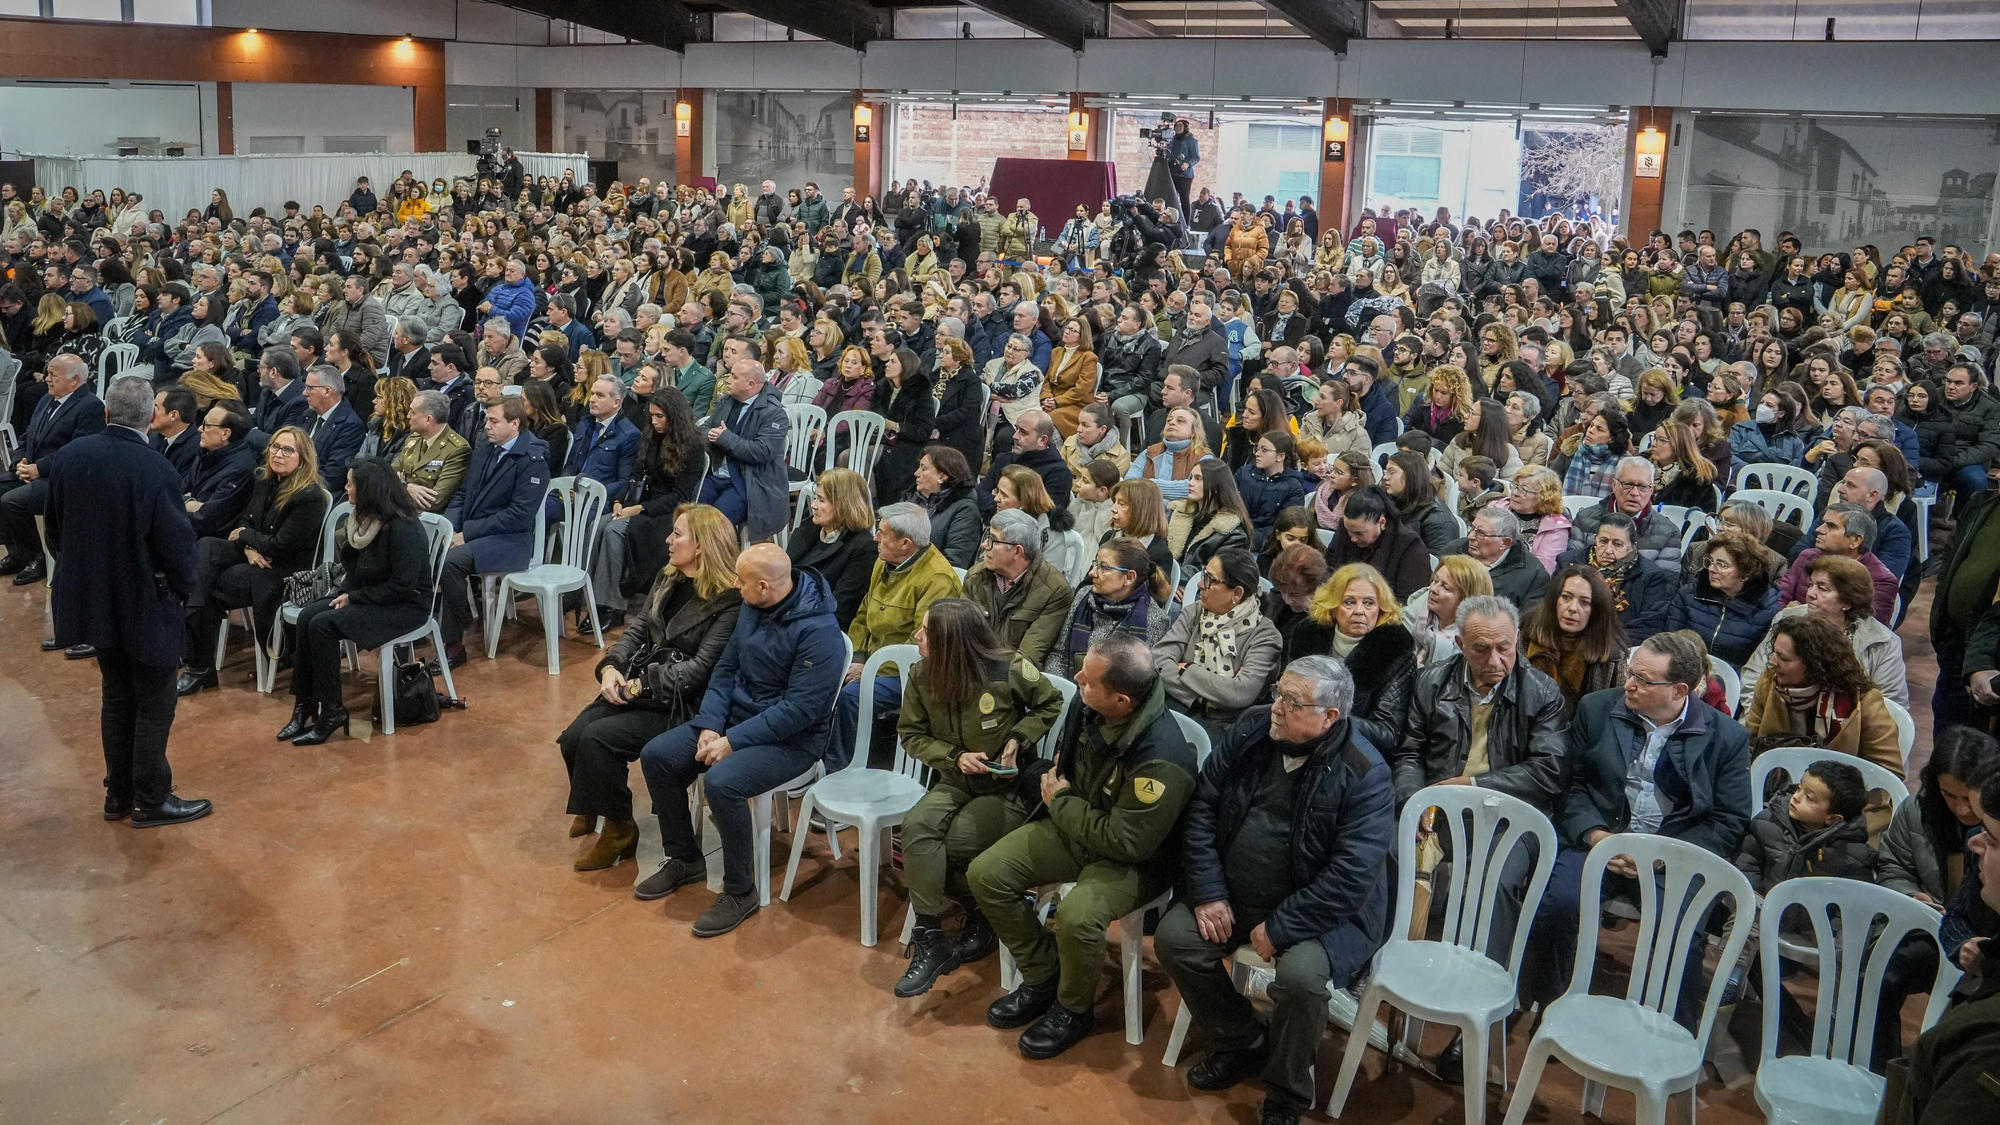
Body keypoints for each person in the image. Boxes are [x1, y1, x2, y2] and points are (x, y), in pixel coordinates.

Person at [1158, 656, 1396, 1125]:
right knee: (1175, 939)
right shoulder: (1250, 731)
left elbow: (1350, 877)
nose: (1276, 707)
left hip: (1321, 915)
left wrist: (1284, 927)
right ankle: (1241, 1039)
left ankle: (1286, 1094)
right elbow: (1202, 808)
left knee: (1302, 981)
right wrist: (1207, 891)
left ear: (1330, 717)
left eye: (1292, 700)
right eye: (1277, 692)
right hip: (1231, 892)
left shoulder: (1365, 772)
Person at [968, 635, 1199, 1058]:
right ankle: (1043, 975)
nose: (1075, 680)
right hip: (1078, 826)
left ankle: (1073, 1009)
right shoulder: (1087, 705)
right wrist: (1061, 796)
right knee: (986, 873)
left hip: (1135, 860)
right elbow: (1068, 768)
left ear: (1123, 700)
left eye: (1089, 681)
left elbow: (1127, 842)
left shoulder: (1162, 760)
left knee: (1077, 915)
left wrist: (1062, 802)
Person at [1518, 629, 1753, 1026]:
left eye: (1643, 680)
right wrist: (1596, 837)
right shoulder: (1597, 709)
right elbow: (1571, 786)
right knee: (1558, 904)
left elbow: (1729, 820)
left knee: (1680, 930)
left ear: (1680, 690)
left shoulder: (1726, 737)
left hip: (1674, 854)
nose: (1628, 683)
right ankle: (1549, 1007)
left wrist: (1661, 856)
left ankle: (1669, 1032)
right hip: (1600, 840)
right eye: (1631, 672)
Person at [635, 544, 846, 938]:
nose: (734, 585)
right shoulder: (752, 606)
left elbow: (798, 711)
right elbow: (726, 668)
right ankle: (684, 858)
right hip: (735, 722)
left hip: (792, 742)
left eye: (741, 581)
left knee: (722, 782)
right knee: (658, 756)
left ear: (764, 587)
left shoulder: (820, 633)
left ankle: (740, 890)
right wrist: (712, 725)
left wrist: (732, 742)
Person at [46, 376, 207, 827]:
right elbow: (176, 545)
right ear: (151, 419)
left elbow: (56, 531)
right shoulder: (156, 469)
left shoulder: (70, 456)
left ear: (105, 413)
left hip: (92, 599)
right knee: (155, 701)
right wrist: (182, 588)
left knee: (116, 695)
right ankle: (151, 799)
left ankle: (117, 794)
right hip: (145, 600)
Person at [893, 598, 1067, 997]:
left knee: (950, 844)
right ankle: (932, 938)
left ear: (951, 641)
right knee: (916, 828)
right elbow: (912, 734)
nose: (917, 636)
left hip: (1008, 788)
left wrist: (1016, 739)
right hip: (956, 779)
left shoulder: (1008, 667)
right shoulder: (922, 675)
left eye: (925, 631)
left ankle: (980, 913)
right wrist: (953, 757)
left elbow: (1050, 702)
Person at [560, 504, 744, 871]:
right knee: (573, 737)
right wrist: (611, 667)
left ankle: (619, 829)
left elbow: (701, 669)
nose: (668, 539)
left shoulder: (729, 601)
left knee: (597, 739)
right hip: (644, 684)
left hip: (685, 702)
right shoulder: (670, 576)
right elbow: (638, 630)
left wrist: (637, 688)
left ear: (703, 546)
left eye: (677, 534)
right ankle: (598, 803)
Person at [280, 457, 431, 746]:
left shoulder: (403, 528)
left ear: (369, 491)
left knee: (323, 625)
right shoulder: (364, 521)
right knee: (307, 616)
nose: (346, 488)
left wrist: (355, 597)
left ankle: (332, 712)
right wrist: (343, 593)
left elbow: (403, 585)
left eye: (351, 484)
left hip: (405, 607)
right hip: (373, 597)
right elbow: (355, 569)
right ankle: (304, 706)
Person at [1875, 727, 1998, 1069]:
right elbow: (1892, 866)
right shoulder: (1917, 811)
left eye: (1968, 797)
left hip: (1984, 942)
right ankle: (1880, 1076)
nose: (1961, 809)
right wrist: (1913, 897)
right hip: (1937, 929)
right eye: (1948, 795)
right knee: (1881, 972)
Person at [176, 425, 330, 696]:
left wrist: (247, 536)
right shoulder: (263, 479)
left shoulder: (310, 496)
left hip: (279, 570)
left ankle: (198, 666)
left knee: (209, 587)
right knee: (207, 546)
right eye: (274, 447)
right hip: (253, 555)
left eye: (287, 449)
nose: (278, 454)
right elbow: (244, 520)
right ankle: (198, 663)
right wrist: (248, 547)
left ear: (303, 457)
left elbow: (281, 546)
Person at [828, 502, 963, 772]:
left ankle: (839, 771)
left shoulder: (937, 579)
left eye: (881, 533)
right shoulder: (884, 561)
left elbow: (921, 646)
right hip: (872, 660)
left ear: (905, 543)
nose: (874, 538)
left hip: (908, 674)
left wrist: (871, 669)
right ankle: (813, 757)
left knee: (852, 696)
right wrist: (856, 657)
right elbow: (864, 612)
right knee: (822, 673)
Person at [1740, 612, 1904, 816]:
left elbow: (1888, 774)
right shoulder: (1769, 684)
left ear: (1813, 665)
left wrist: (1832, 805)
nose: (1772, 662)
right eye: (1773, 653)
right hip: (1774, 800)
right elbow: (1749, 744)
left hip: (1842, 814)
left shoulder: (1863, 702)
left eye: (1783, 658)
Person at [437, 398, 551, 665]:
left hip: (510, 541)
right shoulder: (486, 450)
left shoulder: (532, 460)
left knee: (451, 561)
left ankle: (453, 645)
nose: (486, 426)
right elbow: (462, 494)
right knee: (430, 548)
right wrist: (447, 527)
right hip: (478, 534)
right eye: (486, 419)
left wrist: (467, 534)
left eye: (494, 421)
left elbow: (518, 517)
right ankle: (422, 622)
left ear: (515, 423)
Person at [1743, 553, 1908, 709]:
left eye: (1823, 588)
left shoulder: (1882, 643)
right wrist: (1760, 718)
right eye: (1811, 585)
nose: (1810, 594)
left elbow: (1891, 706)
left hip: (1846, 730)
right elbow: (1753, 674)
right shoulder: (1786, 618)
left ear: (1848, 601)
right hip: (1776, 718)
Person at [1155, 548, 1284, 740]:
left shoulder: (1265, 636)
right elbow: (1158, 660)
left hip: (1224, 725)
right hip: (1172, 704)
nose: (1200, 584)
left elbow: (1240, 693)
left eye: (1210, 579)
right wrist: (1207, 696)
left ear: (1237, 593)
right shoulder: (1194, 612)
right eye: (1203, 575)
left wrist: (1187, 668)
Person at [0, 353, 104, 585]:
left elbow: (79, 450)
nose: (47, 378)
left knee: (12, 501)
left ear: (74, 381)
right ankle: (17, 552)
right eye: (48, 373)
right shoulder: (47, 400)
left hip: (62, 480)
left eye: (53, 375)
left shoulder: (90, 407)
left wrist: (40, 468)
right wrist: (20, 462)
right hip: (33, 472)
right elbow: (28, 435)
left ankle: (36, 556)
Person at [1733, 758, 1873, 894]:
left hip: (1816, 917)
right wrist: (1756, 900)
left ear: (1833, 818)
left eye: (1809, 797)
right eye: (1799, 788)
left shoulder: (1854, 856)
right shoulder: (1769, 822)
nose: (1796, 797)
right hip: (1761, 909)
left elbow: (1853, 902)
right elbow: (1747, 863)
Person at [963, 509, 1074, 670]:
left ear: (1017, 552)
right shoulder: (976, 576)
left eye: (993, 540)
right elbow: (959, 634)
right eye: (987, 536)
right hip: (970, 670)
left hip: (1012, 681)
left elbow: (1027, 659)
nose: (984, 545)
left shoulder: (1055, 591)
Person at [1046, 536, 1173, 678]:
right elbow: (1058, 654)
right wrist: (1059, 690)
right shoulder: (1084, 596)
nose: (1092, 573)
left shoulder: (1153, 620)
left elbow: (1136, 681)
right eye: (1096, 564)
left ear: (1129, 577)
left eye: (1104, 568)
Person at [699, 358, 790, 542]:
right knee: (689, 514)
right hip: (716, 475)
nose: (727, 380)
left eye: (733, 376)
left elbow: (762, 451)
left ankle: (720, 567)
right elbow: (703, 429)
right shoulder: (727, 401)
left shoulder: (774, 413)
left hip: (749, 482)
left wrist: (725, 438)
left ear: (750, 384)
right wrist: (711, 434)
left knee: (715, 525)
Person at [1663, 529, 1781, 667]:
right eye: (1711, 561)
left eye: (1722, 565)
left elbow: (1758, 666)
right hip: (1686, 669)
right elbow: (1670, 642)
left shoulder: (1769, 608)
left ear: (1745, 573)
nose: (1712, 569)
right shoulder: (1688, 594)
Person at [1521, 564, 1630, 713]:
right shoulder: (1525, 633)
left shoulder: (1611, 655)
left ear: (1597, 611)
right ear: (1554, 599)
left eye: (1584, 602)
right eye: (1566, 597)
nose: (1572, 608)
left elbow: (1613, 712)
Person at [1776, 503, 1900, 625]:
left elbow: (1865, 628)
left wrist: (1800, 613)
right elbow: (1777, 597)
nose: (1819, 530)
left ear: (1855, 540)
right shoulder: (1807, 556)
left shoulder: (1881, 580)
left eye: (1831, 526)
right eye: (1822, 523)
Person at [785, 467, 876, 630]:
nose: (813, 505)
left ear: (843, 504)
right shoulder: (809, 529)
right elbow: (783, 571)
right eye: (815, 498)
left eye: (821, 500)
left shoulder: (863, 547)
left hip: (816, 627)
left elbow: (841, 609)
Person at [1567, 456, 1682, 568]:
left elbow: (1665, 583)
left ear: (1651, 490)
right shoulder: (1584, 519)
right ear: (1614, 484)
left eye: (1642, 487)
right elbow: (1572, 568)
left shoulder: (1669, 533)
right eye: (1627, 484)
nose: (1635, 493)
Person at [1324, 485, 1430, 602]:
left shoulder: (1410, 547)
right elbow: (1328, 571)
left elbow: (1408, 601)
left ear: (1382, 522)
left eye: (1359, 533)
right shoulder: (1345, 529)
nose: (1353, 539)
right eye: (1350, 532)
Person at [390, 390, 472, 515]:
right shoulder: (413, 440)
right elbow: (388, 475)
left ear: (428, 419)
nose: (408, 416)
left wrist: (395, 490)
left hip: (426, 518)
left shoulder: (457, 450)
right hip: (399, 511)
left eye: (413, 412)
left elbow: (434, 501)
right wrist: (406, 487)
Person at [1169, 456, 1254, 577]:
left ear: (1216, 486)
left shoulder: (1233, 534)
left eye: (1198, 479)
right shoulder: (1179, 514)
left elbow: (1213, 573)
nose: (1190, 483)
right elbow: (1160, 554)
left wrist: (1171, 578)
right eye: (1191, 477)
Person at [1405, 554, 1492, 667]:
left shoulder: (1476, 643)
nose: (1433, 589)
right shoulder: (1410, 615)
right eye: (1435, 581)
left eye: (1445, 588)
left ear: (1467, 599)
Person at [1460, 504, 1550, 610]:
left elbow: (1527, 619)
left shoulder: (1534, 575)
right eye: (1472, 528)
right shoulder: (1454, 550)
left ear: (1504, 542)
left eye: (1480, 533)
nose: (1470, 536)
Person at [913, 444, 984, 570]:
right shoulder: (912, 498)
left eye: (923, 469)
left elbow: (954, 561)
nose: (916, 473)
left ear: (943, 476)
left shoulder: (965, 511)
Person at [1381, 449, 1458, 556]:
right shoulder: (1391, 500)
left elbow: (1438, 563)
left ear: (1411, 475)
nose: (1385, 477)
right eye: (1386, 472)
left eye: (1392, 472)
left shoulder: (1439, 519)